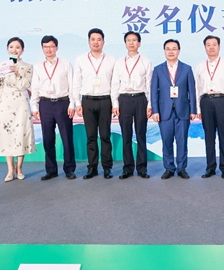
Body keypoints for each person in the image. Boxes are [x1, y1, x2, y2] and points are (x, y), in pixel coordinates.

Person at [31, 35, 77, 181]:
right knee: (48, 139)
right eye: (45, 47)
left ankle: (69, 169)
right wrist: (34, 106)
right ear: (42, 48)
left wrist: (72, 104)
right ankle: (51, 170)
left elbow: (72, 86)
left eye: (51, 46)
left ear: (57, 47)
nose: (48, 49)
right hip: (45, 104)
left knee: (67, 138)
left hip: (63, 103)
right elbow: (35, 87)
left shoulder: (65, 64)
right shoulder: (38, 66)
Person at [0, 37, 36, 182]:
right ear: (7, 49)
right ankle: (10, 170)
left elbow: (25, 85)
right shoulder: (1, 67)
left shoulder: (27, 67)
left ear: (22, 50)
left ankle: (19, 168)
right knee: (6, 136)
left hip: (21, 104)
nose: (14, 50)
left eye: (17, 47)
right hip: (5, 104)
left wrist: (17, 73)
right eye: (11, 47)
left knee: (20, 134)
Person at [73, 28, 116, 180]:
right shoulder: (81, 59)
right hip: (87, 101)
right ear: (88, 41)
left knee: (105, 136)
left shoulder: (111, 60)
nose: (96, 42)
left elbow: (114, 84)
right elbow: (76, 82)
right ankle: (92, 167)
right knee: (91, 136)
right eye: (93, 39)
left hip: (105, 100)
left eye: (99, 39)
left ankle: (107, 167)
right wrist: (77, 103)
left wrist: (115, 103)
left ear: (103, 42)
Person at [151, 39, 197, 180]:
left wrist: (193, 110)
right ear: (164, 51)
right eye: (168, 49)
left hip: (183, 111)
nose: (171, 51)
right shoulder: (158, 69)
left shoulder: (187, 69)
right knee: (167, 141)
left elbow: (192, 91)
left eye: (174, 48)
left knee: (182, 141)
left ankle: (182, 168)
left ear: (179, 51)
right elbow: (154, 92)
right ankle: (169, 168)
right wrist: (155, 111)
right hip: (164, 112)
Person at [110, 31, 153, 179]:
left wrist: (150, 105)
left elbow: (149, 85)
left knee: (141, 134)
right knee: (126, 135)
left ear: (139, 43)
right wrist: (115, 103)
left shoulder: (145, 62)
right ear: (125, 44)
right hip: (124, 100)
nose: (131, 43)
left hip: (140, 99)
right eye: (129, 40)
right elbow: (115, 84)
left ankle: (142, 168)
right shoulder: (119, 62)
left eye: (134, 40)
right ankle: (127, 168)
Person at [194, 35, 224, 179]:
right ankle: (210, 167)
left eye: (214, 44)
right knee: (209, 137)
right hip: (206, 101)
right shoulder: (200, 66)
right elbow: (197, 88)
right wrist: (198, 109)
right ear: (205, 47)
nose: (211, 47)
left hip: (222, 101)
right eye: (208, 45)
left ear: (219, 47)